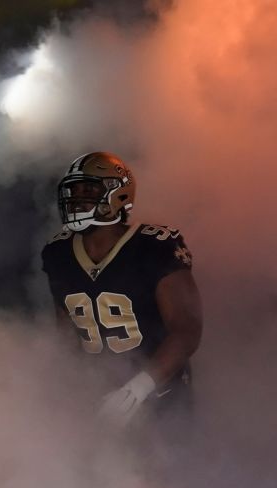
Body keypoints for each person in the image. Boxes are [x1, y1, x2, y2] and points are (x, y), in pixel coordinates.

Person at [41, 151, 202, 451]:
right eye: (73, 191)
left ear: (118, 192)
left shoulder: (154, 245)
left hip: (159, 395)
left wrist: (140, 386)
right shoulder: (58, 252)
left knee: (166, 487)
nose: (77, 199)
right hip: (98, 393)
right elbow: (65, 330)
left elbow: (187, 328)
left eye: (88, 190)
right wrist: (66, 385)